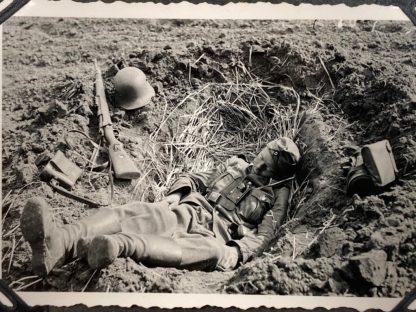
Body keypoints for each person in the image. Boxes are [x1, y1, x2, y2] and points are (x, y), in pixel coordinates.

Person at [20, 137, 300, 276]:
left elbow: (264, 235)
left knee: (213, 252)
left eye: (267, 170)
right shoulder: (236, 165)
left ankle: (112, 247)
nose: (259, 168)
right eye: (261, 159)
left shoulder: (278, 194)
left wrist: (236, 253)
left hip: (215, 237)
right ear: (261, 149)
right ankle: (57, 243)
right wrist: (177, 195)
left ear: (278, 175)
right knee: (137, 211)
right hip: (188, 211)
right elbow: (193, 178)